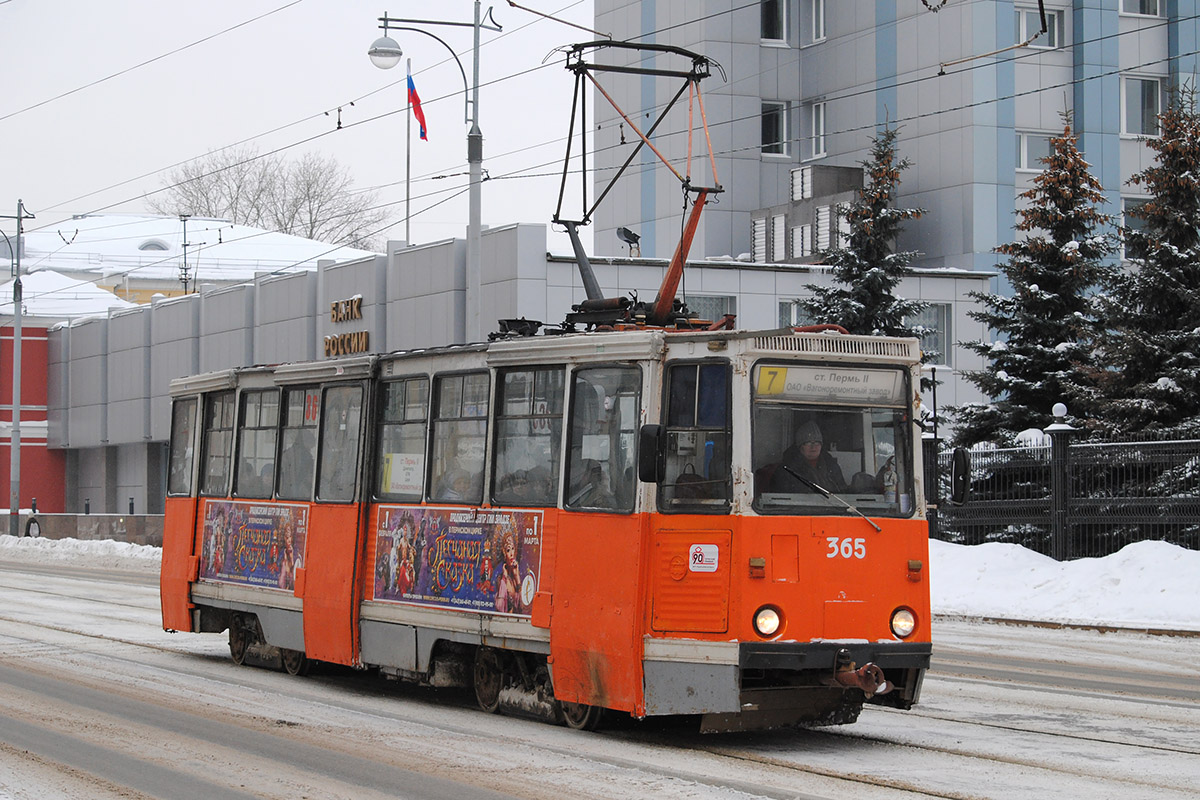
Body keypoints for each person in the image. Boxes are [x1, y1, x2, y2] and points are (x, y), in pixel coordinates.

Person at [771, 420, 848, 494]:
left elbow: (843, 493)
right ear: (800, 446)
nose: (813, 447)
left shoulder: (831, 466)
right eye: (808, 443)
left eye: (817, 443)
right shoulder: (787, 469)